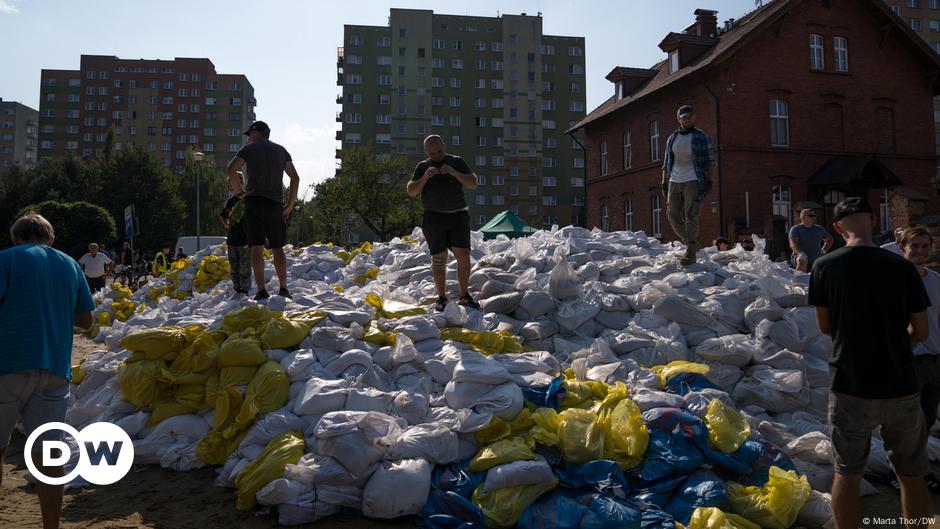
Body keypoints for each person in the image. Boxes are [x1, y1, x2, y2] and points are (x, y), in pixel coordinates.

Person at [808, 197, 931, 529]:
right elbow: (922, 330)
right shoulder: (903, 268)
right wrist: (896, 337)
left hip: (850, 384)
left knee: (847, 474)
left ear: (837, 228)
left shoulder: (824, 266)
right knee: (911, 476)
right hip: (900, 385)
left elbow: (824, 326)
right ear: (873, 221)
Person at [0, 213, 94, 529]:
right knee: (48, 454)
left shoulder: (5, 260)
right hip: (54, 367)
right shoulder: (69, 265)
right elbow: (86, 320)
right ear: (50, 239)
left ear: (15, 238)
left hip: (7, 365)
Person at [226, 120, 300, 301]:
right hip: (275, 204)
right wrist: (290, 204)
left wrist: (239, 193)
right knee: (278, 248)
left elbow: (231, 169)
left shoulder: (249, 149)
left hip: (254, 204)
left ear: (256, 133)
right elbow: (295, 178)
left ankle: (261, 291)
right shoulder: (281, 150)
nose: (249, 138)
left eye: (249, 134)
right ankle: (283, 288)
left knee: (256, 248)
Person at [407, 135, 480, 311]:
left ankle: (464, 294)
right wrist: (425, 177)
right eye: (432, 153)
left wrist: (454, 172)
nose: (437, 155)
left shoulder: (456, 161)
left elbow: (473, 183)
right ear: (426, 152)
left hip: (458, 216)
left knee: (463, 254)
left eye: (439, 151)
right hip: (434, 218)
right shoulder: (422, 167)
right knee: (439, 258)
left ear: (444, 146)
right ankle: (442, 297)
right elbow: (411, 191)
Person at [899, 226, 940, 491]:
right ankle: (901, 474)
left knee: (926, 418)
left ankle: (918, 471)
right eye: (914, 246)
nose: (920, 252)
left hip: (935, 359)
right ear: (902, 248)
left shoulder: (935, 279)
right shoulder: (894, 280)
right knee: (906, 423)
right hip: (909, 360)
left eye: (925, 246)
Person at [661, 105, 716, 266]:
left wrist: (710, 181)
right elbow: (666, 162)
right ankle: (691, 242)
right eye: (685, 117)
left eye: (690, 116)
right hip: (674, 180)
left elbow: (710, 162)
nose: (688, 119)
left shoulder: (701, 137)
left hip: (693, 179)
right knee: (672, 214)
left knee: (691, 215)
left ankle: (691, 253)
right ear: (679, 119)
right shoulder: (672, 138)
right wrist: (664, 181)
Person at [220, 187, 252, 298]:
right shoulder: (231, 201)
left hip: (245, 238)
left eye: (240, 179)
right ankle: (237, 288)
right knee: (234, 267)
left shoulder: (248, 199)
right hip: (232, 239)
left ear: (243, 182)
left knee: (245, 266)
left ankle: (245, 290)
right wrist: (226, 224)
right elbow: (223, 215)